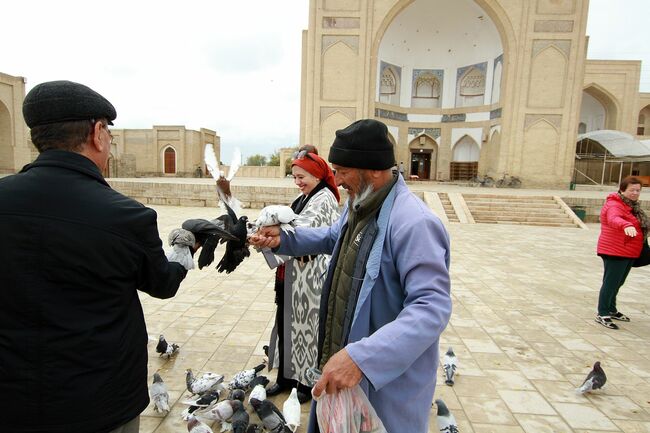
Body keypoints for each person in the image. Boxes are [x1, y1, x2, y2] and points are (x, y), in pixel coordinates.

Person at [0, 80, 191, 433]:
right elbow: (163, 283)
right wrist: (186, 247)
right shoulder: (125, 216)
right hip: (99, 404)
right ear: (98, 133)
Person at [250, 119, 452, 433]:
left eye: (343, 171)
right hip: (342, 360)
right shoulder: (361, 203)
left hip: (380, 382)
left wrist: (363, 358)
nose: (337, 180)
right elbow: (334, 236)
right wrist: (285, 239)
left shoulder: (414, 224)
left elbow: (431, 308)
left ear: (373, 169)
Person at [263, 149, 340, 404]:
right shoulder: (303, 197)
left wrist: (276, 234)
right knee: (286, 324)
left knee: (308, 330)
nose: (297, 182)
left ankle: (306, 383)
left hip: (311, 280)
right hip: (294, 277)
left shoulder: (325, 198)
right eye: (294, 177)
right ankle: (285, 378)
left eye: (301, 176)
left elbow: (304, 229)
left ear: (317, 174)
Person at [595, 176, 647, 329]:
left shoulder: (632, 207)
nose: (635, 193)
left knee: (618, 282)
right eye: (632, 190)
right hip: (615, 250)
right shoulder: (615, 204)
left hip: (629, 250)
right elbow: (613, 218)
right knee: (611, 283)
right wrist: (625, 225)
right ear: (622, 190)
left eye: (638, 190)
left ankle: (611, 309)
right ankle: (602, 313)